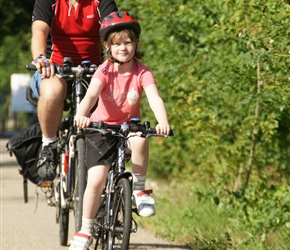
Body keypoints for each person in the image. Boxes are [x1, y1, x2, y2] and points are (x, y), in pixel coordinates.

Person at [69, 11, 171, 250]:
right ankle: (85, 231)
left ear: (136, 44)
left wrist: (162, 121)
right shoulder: (104, 70)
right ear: (107, 46)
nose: (123, 48)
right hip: (101, 129)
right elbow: (91, 94)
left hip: (128, 128)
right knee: (96, 180)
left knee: (141, 139)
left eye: (128, 42)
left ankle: (139, 190)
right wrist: (81, 114)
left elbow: (155, 98)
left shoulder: (142, 72)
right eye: (117, 44)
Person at [30, 0, 118, 181]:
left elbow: (112, 31)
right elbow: (39, 29)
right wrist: (41, 58)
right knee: (52, 90)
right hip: (55, 68)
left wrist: (114, 60)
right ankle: (48, 146)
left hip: (94, 71)